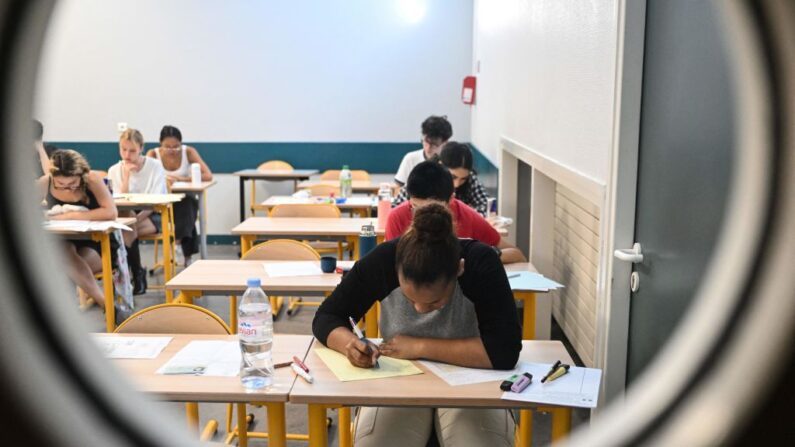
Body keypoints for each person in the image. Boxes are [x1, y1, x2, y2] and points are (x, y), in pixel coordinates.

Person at [313, 203, 521, 447]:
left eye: (434, 302)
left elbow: (504, 351)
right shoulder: (385, 259)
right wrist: (350, 344)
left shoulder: (480, 263)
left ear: (459, 270)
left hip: (472, 384)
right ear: (397, 268)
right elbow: (327, 317)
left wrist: (420, 346)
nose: (420, 309)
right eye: (410, 299)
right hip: (398, 382)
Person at [387, 161, 527, 264]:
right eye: (416, 207)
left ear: (451, 200)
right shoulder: (397, 217)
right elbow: (392, 265)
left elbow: (517, 254)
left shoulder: (465, 215)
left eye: (432, 210)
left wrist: (482, 257)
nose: (423, 217)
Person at [37, 149, 118, 310]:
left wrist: (68, 215)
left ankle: (97, 305)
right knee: (60, 253)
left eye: (73, 184)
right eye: (61, 184)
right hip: (64, 242)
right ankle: (106, 305)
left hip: (97, 242)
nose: (68, 189)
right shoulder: (45, 182)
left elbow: (111, 212)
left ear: (81, 176)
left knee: (62, 267)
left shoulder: (92, 179)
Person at [108, 128, 167, 294]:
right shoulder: (115, 169)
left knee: (120, 230)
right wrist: (126, 176)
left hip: (152, 215)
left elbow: (157, 201)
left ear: (141, 148)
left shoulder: (154, 166)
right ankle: (137, 272)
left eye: (132, 150)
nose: (127, 155)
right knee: (126, 216)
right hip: (126, 216)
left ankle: (128, 274)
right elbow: (120, 201)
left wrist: (135, 220)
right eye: (123, 149)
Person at [146, 125, 212, 266]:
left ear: (181, 144)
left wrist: (181, 179)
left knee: (188, 205)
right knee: (189, 216)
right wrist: (163, 180)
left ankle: (176, 244)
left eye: (176, 147)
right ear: (160, 144)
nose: (172, 150)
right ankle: (187, 257)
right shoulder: (152, 154)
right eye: (167, 147)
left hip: (183, 199)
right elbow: (146, 179)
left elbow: (208, 175)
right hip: (162, 201)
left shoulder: (188, 151)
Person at [394, 141, 491, 216]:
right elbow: (396, 207)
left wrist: (467, 214)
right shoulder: (423, 176)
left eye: (463, 179)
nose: (456, 184)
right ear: (441, 166)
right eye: (453, 177)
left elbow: (487, 207)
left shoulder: (471, 179)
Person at [394, 115, 453, 186]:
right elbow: (398, 187)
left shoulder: (451, 162)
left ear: (445, 142)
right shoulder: (410, 158)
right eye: (425, 142)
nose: (428, 148)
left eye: (434, 144)